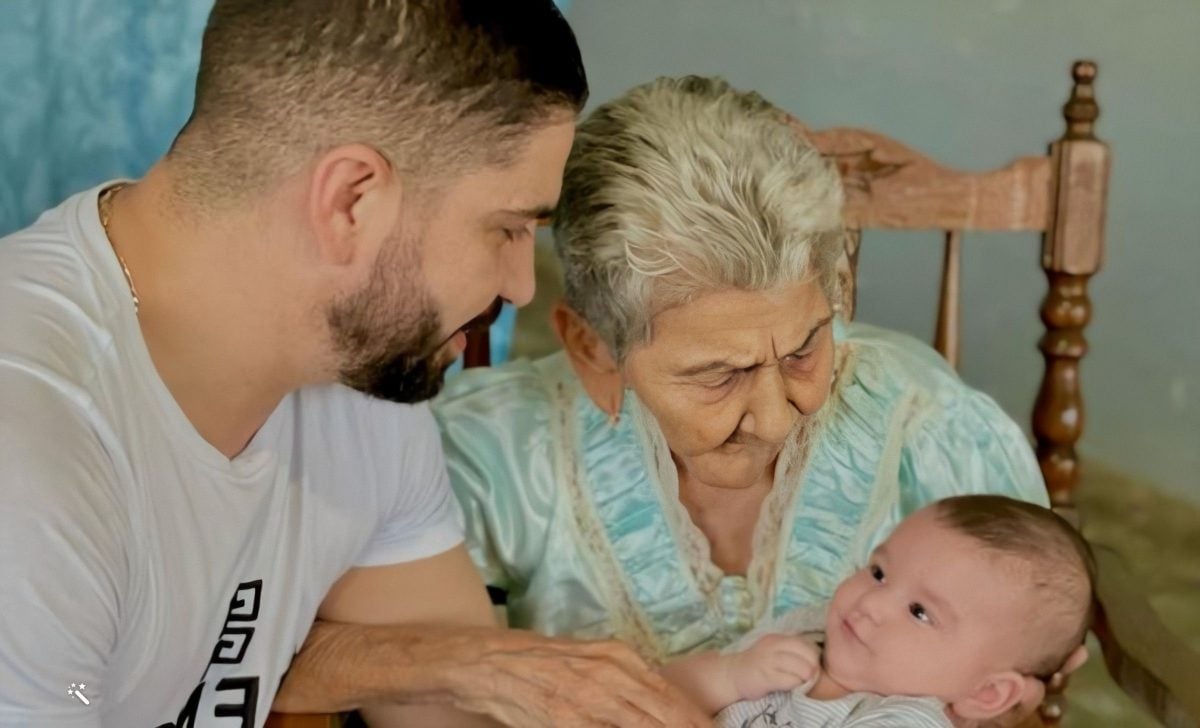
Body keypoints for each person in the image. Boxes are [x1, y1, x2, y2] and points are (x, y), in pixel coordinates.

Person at [0, 2, 708, 727]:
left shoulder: (362, 372)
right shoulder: (31, 451)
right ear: (351, 200)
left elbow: (452, 704)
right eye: (507, 228)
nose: (522, 284)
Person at [433, 75, 1053, 693]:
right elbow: (423, 679)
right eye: (719, 376)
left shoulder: (929, 425)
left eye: (806, 348)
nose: (780, 418)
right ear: (593, 347)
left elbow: (1021, 665)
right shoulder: (505, 453)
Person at [661, 495, 1094, 727]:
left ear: (985, 694)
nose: (871, 603)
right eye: (879, 571)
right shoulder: (811, 630)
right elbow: (655, 693)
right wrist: (729, 675)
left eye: (920, 612)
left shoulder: (903, 720)